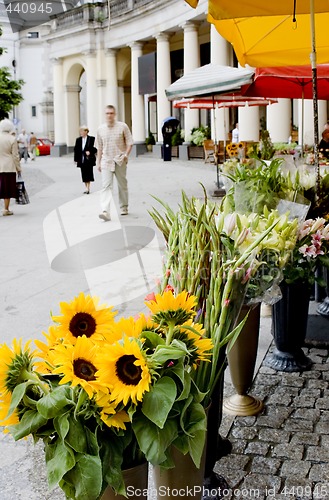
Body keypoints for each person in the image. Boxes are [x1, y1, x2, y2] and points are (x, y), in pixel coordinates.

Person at [96, 105, 133, 221]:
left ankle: (124, 207)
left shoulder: (123, 127)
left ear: (115, 114)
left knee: (122, 185)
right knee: (106, 186)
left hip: (120, 160)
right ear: (105, 115)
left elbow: (130, 142)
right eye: (107, 113)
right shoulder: (100, 129)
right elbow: (99, 148)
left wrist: (126, 155)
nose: (109, 115)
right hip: (106, 161)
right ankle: (105, 211)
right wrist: (98, 162)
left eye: (111, 113)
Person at [0, 119, 21, 216]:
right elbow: (15, 156)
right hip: (9, 167)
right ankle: (6, 209)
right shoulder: (12, 139)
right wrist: (19, 168)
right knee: (7, 188)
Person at [74, 126, 97, 194]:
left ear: (86, 132)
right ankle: (86, 187)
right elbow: (76, 150)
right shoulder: (78, 140)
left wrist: (90, 151)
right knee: (83, 173)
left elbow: (95, 148)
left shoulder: (92, 139)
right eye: (80, 131)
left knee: (89, 173)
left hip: (89, 159)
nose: (81, 133)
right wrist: (76, 159)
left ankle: (88, 188)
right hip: (82, 159)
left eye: (82, 131)